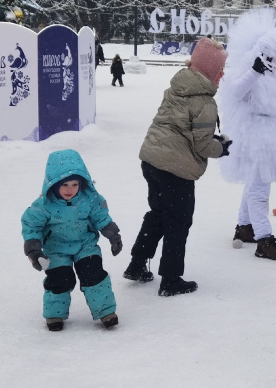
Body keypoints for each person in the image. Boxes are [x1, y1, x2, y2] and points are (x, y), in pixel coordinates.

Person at [124, 38, 232, 296]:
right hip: (175, 169)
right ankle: (171, 279)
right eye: (220, 70)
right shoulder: (204, 102)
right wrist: (223, 148)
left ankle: (137, 264)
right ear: (210, 72)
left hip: (151, 160)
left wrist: (209, 140)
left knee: (158, 215)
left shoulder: (177, 87)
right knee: (178, 222)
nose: (222, 74)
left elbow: (180, 128)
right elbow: (203, 146)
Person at [218, 7, 276, 260]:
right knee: (258, 189)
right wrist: (255, 71)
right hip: (255, 138)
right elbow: (236, 92)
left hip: (272, 136)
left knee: (255, 183)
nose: (271, 59)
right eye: (267, 54)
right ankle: (264, 239)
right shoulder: (245, 71)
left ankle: (244, 227)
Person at [21, 149, 122, 331]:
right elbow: (32, 226)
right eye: (65, 185)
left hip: (85, 245)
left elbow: (101, 217)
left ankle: (106, 311)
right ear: (53, 184)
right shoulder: (43, 205)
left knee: (94, 275)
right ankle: (54, 315)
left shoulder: (90, 200)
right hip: (56, 249)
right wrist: (33, 249)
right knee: (60, 279)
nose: (70, 190)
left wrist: (113, 235)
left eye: (75, 184)